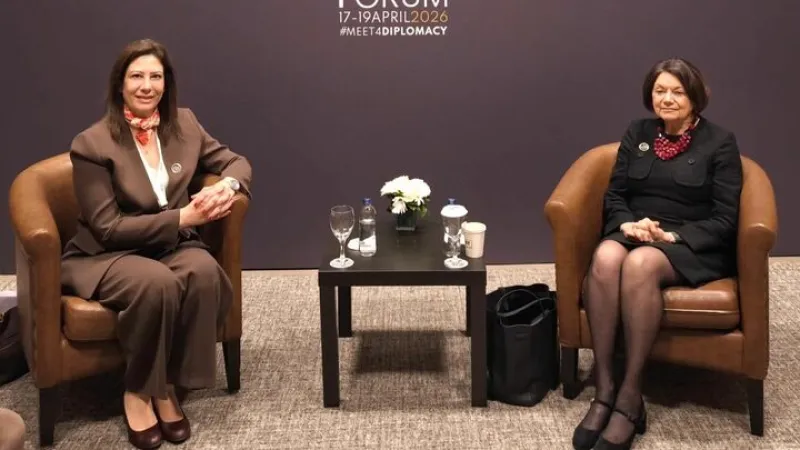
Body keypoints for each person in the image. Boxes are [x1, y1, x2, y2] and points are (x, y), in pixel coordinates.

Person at [60, 39, 252, 449]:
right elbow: (108, 228)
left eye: (155, 76)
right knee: (156, 283)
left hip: (168, 246)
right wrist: (183, 218)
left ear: (167, 83)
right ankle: (137, 391)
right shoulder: (91, 144)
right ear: (120, 84)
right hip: (107, 253)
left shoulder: (185, 123)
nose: (146, 86)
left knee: (204, 273)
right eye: (136, 76)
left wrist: (229, 187)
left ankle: (167, 385)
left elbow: (236, 162)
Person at [572, 58, 742, 450]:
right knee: (605, 259)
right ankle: (605, 388)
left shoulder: (720, 142)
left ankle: (630, 396)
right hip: (637, 230)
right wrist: (628, 225)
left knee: (640, 263)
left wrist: (672, 236)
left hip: (688, 243)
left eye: (677, 92)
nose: (667, 99)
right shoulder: (638, 133)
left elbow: (725, 218)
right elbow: (615, 194)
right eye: (659, 90)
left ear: (695, 96)